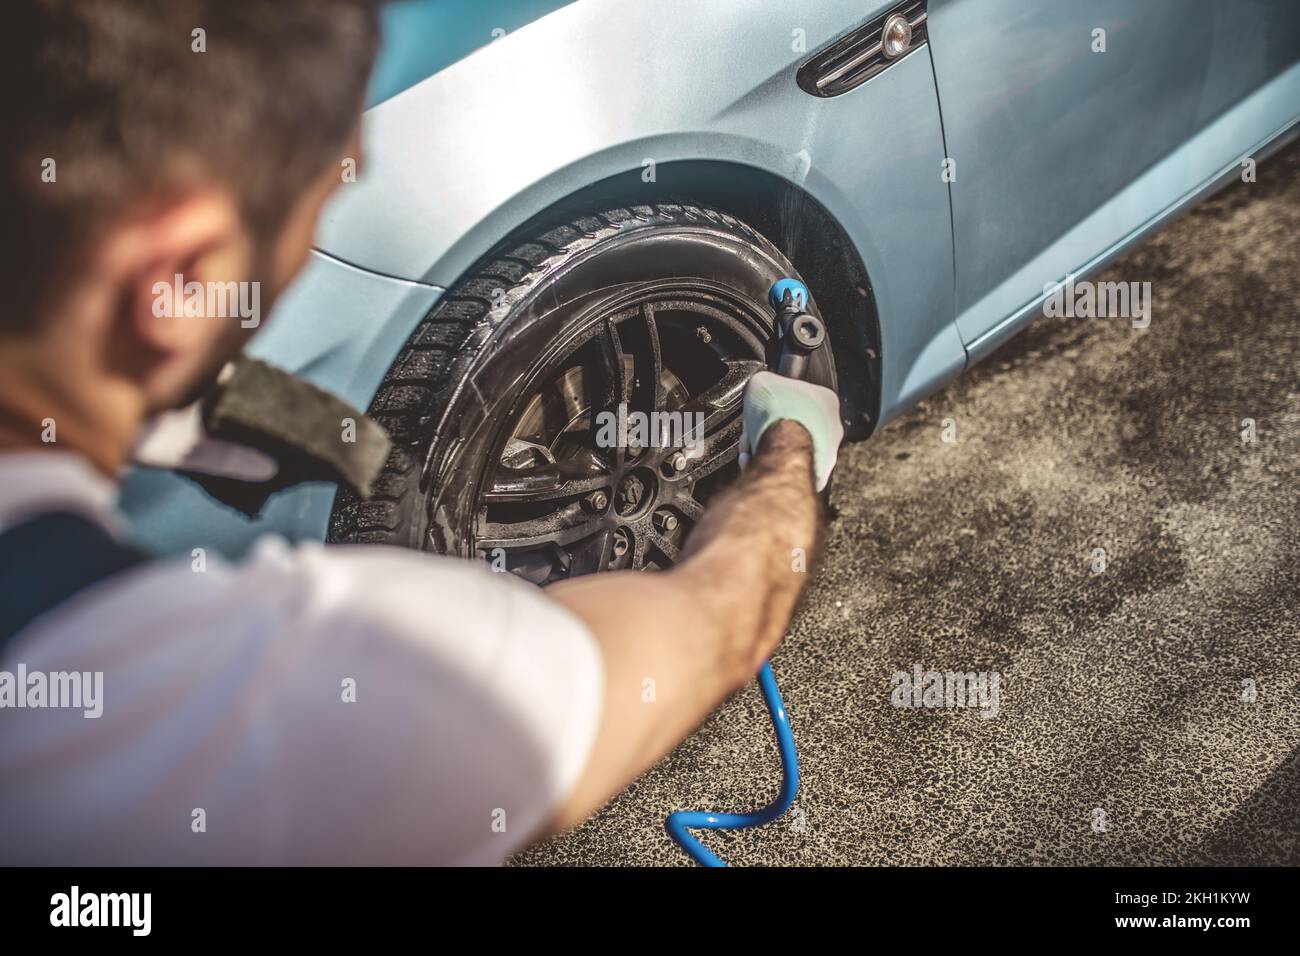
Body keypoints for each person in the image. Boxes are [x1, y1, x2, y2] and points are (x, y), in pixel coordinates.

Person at [0, 0, 843, 864]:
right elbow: (715, 626)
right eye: (321, 200)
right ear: (180, 276)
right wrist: (790, 451)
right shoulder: (240, 700)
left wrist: (206, 410)